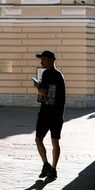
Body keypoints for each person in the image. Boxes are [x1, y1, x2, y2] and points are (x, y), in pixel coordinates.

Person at [33, 50, 66, 180]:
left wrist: (37, 85)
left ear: (51, 60)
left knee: (38, 139)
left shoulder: (47, 73)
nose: (41, 62)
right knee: (55, 141)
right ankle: (53, 169)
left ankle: (46, 164)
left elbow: (45, 94)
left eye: (43, 60)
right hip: (58, 114)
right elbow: (52, 94)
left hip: (46, 113)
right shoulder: (59, 75)